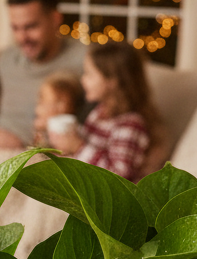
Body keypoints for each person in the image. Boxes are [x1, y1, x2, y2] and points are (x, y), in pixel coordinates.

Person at [48, 42, 161, 182]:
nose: (83, 80)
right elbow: (87, 153)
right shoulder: (99, 112)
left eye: (89, 74)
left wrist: (78, 146)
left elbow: (119, 178)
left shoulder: (130, 125)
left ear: (112, 81)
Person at [0, 0, 87, 139]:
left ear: (56, 20)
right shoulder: (5, 59)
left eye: (30, 27)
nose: (22, 38)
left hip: (39, 157)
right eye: (15, 28)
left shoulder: (85, 61)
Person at [31, 72, 85, 148]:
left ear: (62, 106)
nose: (38, 103)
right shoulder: (41, 134)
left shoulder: (74, 136)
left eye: (42, 99)